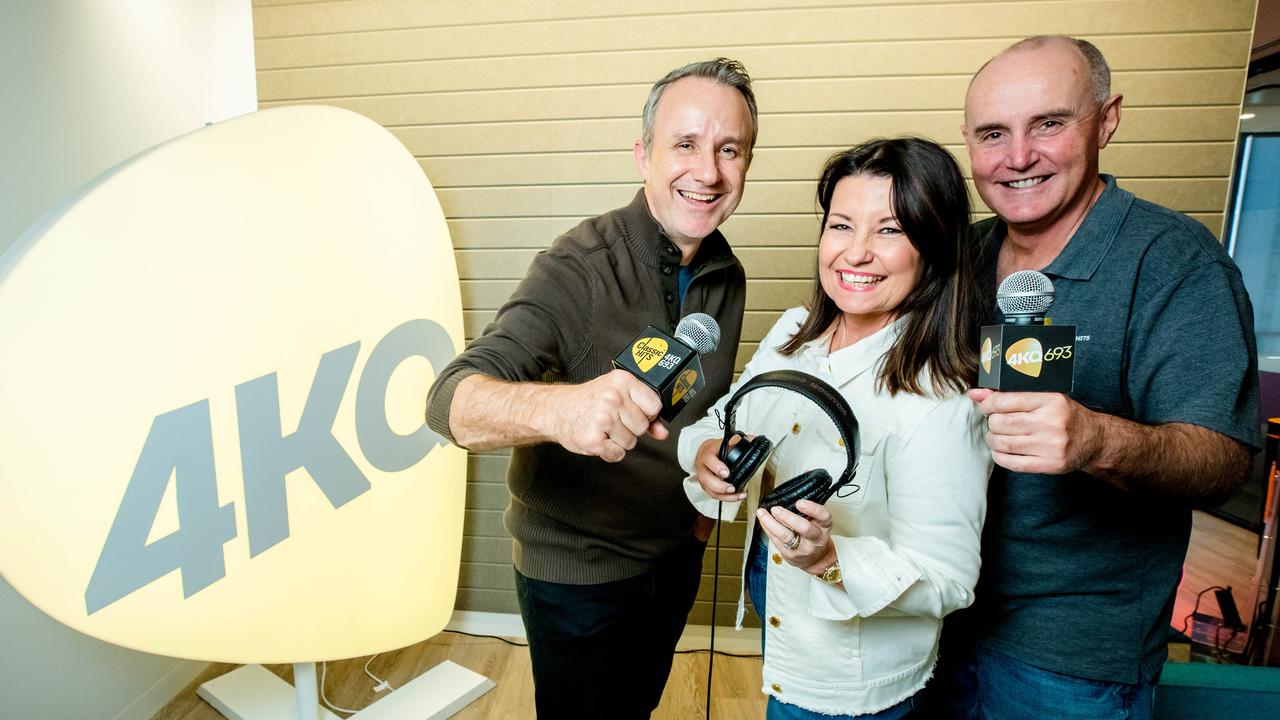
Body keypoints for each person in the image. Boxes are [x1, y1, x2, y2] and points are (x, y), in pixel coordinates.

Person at [926, 36, 1260, 719]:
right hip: (935, 617)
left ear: (1106, 119)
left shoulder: (1174, 263)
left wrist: (1098, 441)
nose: (1018, 156)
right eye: (994, 134)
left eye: (1049, 123)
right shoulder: (960, 256)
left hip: (1070, 660)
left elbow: (1223, 459)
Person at [425, 58, 755, 717]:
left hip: (673, 560)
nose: (708, 171)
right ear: (643, 155)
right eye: (684, 144)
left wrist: (699, 511)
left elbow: (698, 411)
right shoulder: (578, 267)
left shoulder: (726, 274)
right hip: (578, 581)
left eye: (729, 150)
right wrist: (562, 407)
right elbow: (448, 402)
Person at [680, 137, 993, 719]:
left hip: (848, 688)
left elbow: (949, 580)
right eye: (842, 225)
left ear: (937, 245)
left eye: (890, 231)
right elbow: (720, 421)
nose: (856, 252)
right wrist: (705, 453)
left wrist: (829, 560)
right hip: (780, 627)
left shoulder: (944, 400)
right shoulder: (793, 331)